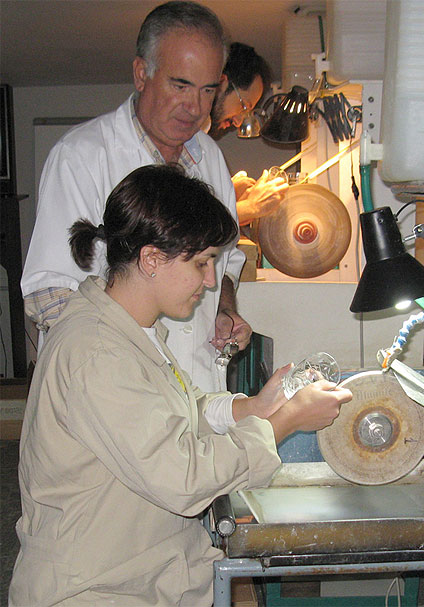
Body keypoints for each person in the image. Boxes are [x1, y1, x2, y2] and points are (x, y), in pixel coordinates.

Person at [9, 164, 352, 606]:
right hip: (94, 587)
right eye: (202, 262)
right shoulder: (96, 353)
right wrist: (284, 422)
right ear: (151, 259)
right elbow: (183, 479)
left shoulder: (130, 329)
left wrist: (254, 407)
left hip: (147, 563)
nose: (211, 281)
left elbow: (181, 405)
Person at [20, 1, 248, 393]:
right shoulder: (83, 155)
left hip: (196, 383)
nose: (194, 107)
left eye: (208, 90)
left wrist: (224, 308)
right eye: (180, 85)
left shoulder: (209, 156)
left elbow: (226, 260)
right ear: (142, 74)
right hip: (111, 391)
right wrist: (124, 371)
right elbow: (48, 296)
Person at [208, 41, 290, 226]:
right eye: (244, 105)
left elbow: (200, 209)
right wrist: (252, 207)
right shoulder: (177, 137)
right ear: (222, 83)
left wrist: (226, 194)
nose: (237, 122)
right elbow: (190, 225)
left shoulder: (201, 142)